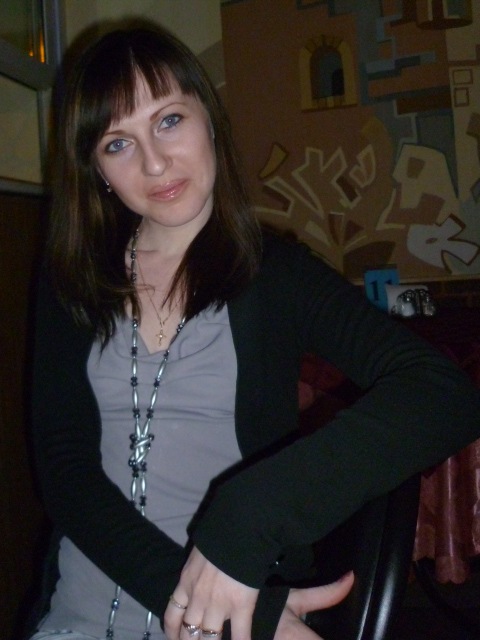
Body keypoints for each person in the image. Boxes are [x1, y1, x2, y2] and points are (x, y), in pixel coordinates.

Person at [28, 23, 480, 640]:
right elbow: (66, 474)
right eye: (118, 143)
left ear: (209, 119)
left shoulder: (279, 275)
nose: (154, 163)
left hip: (235, 609)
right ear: (98, 169)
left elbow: (444, 394)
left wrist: (249, 518)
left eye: (168, 121)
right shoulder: (70, 280)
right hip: (83, 618)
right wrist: (191, 602)